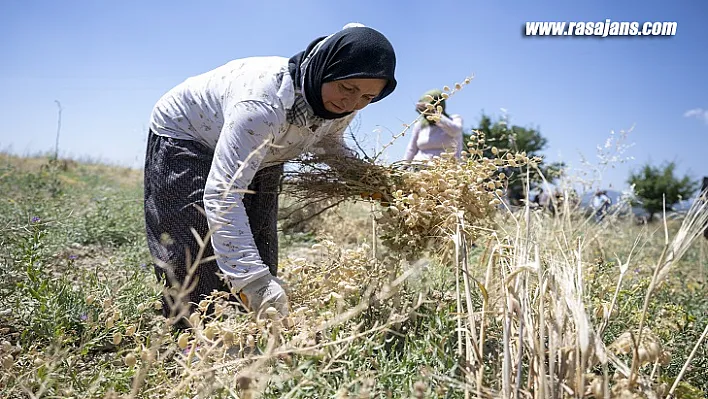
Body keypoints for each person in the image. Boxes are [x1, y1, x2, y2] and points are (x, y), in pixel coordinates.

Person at [143, 23, 397, 328]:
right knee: (194, 241)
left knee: (259, 236)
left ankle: (247, 327)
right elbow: (224, 193)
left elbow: (329, 142)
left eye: (368, 98)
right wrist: (253, 282)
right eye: (347, 88)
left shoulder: (342, 104)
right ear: (328, 67)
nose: (352, 103)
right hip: (189, 133)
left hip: (263, 147)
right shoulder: (263, 104)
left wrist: (363, 178)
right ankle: (194, 338)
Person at [403, 89, 464, 162]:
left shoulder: (454, 119)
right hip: (420, 167)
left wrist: (435, 114)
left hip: (447, 167)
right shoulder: (420, 125)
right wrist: (403, 166)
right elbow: (411, 149)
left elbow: (455, 131)